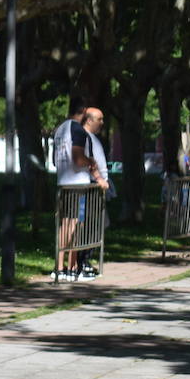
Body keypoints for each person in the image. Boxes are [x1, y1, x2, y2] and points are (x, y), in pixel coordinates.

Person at [53, 105, 100, 281]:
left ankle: (62, 266)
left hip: (63, 182)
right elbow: (78, 157)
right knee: (74, 226)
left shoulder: (60, 129)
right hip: (77, 184)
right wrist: (91, 161)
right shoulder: (78, 130)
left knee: (65, 225)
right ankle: (68, 269)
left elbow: (54, 159)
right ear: (82, 112)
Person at [78, 108, 112, 279]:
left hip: (99, 186)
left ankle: (85, 259)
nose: (102, 123)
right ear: (89, 120)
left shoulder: (93, 138)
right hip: (91, 186)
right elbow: (88, 162)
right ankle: (82, 261)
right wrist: (98, 179)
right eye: (100, 119)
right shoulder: (83, 137)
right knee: (89, 225)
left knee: (98, 225)